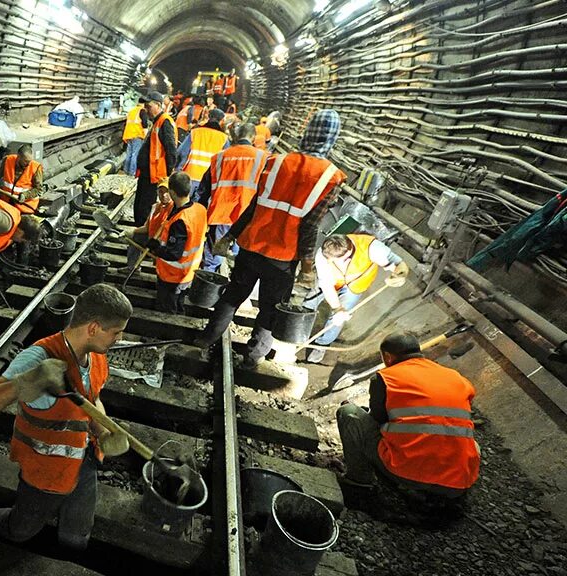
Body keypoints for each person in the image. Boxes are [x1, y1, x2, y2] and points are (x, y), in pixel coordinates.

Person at [0, 284, 134, 551]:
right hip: (45, 473)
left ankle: (71, 556)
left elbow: (93, 400)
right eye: (116, 332)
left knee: (77, 532)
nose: (120, 339)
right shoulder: (39, 357)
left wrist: (103, 431)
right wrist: (26, 382)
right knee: (20, 530)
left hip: (86, 461)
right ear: (93, 328)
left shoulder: (96, 357)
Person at [191, 109, 347, 366]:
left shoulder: (276, 161)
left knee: (232, 296)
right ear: (332, 138)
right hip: (282, 258)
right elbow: (310, 226)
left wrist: (229, 236)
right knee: (269, 308)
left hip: (251, 247)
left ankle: (205, 340)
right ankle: (251, 358)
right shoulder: (330, 177)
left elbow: (253, 206)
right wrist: (307, 267)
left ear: (307, 133)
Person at [336, 332, 479, 503]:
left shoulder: (386, 377)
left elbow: (378, 420)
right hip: (458, 482)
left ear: (387, 357)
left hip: (406, 472)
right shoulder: (456, 377)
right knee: (470, 443)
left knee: (349, 413)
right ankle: (441, 495)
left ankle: (359, 483)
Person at [304, 234, 410, 363]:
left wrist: (400, 275)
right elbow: (326, 284)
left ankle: (321, 345)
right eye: (331, 261)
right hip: (333, 281)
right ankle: (299, 332)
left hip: (355, 285)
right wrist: (337, 307)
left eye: (339, 260)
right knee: (309, 303)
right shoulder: (323, 255)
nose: (334, 263)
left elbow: (400, 265)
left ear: (349, 252)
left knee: (339, 318)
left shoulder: (372, 248)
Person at [195, 122, 269, 273]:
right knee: (238, 259)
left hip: (221, 213)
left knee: (213, 256)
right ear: (253, 138)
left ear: (236, 136)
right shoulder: (264, 158)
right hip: (246, 217)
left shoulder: (220, 157)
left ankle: (206, 287)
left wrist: (199, 212)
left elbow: (204, 189)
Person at [145, 173, 208, 313]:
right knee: (179, 304)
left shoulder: (180, 221)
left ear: (172, 192)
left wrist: (155, 248)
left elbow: (174, 254)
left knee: (167, 309)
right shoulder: (200, 209)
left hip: (172, 276)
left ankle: (169, 333)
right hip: (190, 272)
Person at [134, 91, 177, 226]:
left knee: (146, 207)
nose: (146, 110)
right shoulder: (157, 121)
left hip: (155, 174)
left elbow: (171, 149)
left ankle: (142, 235)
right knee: (140, 204)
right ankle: (138, 229)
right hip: (148, 173)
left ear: (158, 105)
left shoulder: (165, 122)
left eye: (149, 106)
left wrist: (168, 174)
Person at [176, 108, 228, 200]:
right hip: (207, 181)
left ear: (209, 117)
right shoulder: (224, 139)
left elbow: (182, 151)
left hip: (189, 176)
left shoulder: (195, 132)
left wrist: (178, 168)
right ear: (221, 121)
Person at [0, 144, 44, 214]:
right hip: (8, 202)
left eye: (30, 161)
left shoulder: (35, 167)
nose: (28, 164)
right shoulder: (8, 160)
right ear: (18, 157)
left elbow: (38, 189)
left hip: (25, 206)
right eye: (25, 161)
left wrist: (25, 195)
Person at [121, 98, 149, 176]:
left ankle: (126, 171)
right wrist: (146, 137)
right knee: (135, 155)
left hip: (128, 135)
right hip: (137, 135)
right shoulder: (142, 111)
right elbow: (145, 125)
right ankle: (132, 173)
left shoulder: (132, 111)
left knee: (129, 154)